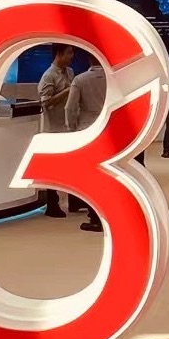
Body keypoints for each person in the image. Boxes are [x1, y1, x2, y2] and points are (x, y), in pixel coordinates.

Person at [67, 61, 109, 232]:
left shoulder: (80, 79)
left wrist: (72, 127)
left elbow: (70, 107)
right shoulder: (112, 79)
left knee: (90, 176)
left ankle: (94, 216)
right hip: (108, 128)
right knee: (106, 175)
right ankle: (107, 214)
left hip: (86, 129)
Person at [36, 45, 75, 218]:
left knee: (71, 165)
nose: (72, 56)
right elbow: (45, 102)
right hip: (53, 128)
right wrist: (68, 90)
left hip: (67, 127)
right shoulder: (48, 76)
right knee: (53, 168)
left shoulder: (70, 72)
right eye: (69, 52)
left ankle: (75, 201)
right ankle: (52, 204)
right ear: (59, 54)